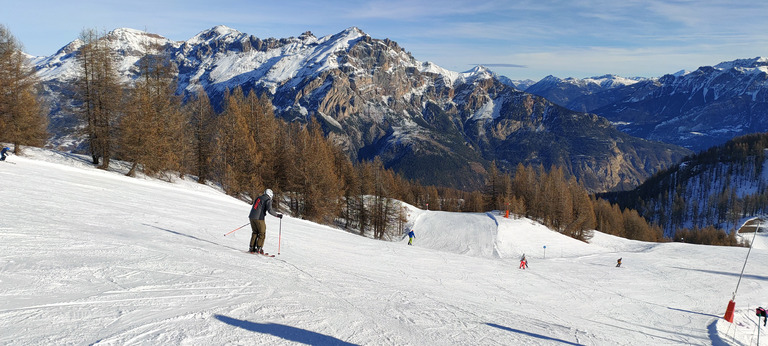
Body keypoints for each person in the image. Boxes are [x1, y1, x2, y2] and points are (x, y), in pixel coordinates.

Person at [248, 188, 282, 254]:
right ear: (270, 194)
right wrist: (277, 215)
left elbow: (257, 207)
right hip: (259, 218)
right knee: (262, 233)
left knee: (255, 232)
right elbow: (270, 210)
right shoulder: (268, 200)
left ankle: (252, 248)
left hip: (251, 217)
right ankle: (259, 248)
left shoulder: (259, 198)